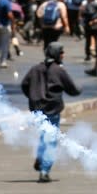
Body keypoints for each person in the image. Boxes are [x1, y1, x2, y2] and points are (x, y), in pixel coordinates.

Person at [20, 43, 81, 183]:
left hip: (37, 110)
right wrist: (79, 89)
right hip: (52, 110)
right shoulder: (58, 70)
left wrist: (33, 96)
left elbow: (24, 85)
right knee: (51, 140)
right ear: (56, 54)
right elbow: (72, 89)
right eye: (61, 52)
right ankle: (44, 170)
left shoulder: (35, 69)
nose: (63, 55)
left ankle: (41, 158)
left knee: (44, 136)